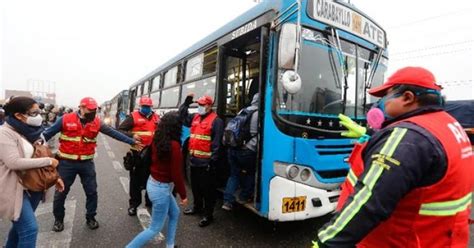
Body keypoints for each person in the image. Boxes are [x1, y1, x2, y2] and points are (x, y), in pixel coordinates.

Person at [312, 67, 473, 247]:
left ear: (408, 98)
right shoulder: (448, 124)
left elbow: (368, 204)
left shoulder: (406, 136)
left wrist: (326, 243)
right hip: (440, 238)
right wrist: (370, 135)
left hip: (400, 241)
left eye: (385, 96)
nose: (380, 103)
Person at [42, 97, 142, 232]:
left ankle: (91, 217)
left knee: (92, 192)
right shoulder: (66, 119)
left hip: (86, 164)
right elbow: (46, 134)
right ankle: (58, 219)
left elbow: (114, 133)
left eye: (95, 110)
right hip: (66, 163)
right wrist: (34, 145)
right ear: (81, 107)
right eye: (91, 110)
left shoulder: (96, 122)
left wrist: (130, 141)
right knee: (61, 193)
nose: (93, 112)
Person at [0, 96, 64, 248]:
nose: (39, 116)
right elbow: (13, 162)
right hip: (13, 188)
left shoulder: (35, 132)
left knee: (18, 229)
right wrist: (49, 162)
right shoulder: (4, 133)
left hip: (33, 186)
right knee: (29, 229)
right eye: (34, 113)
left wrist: (56, 177)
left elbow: (43, 153)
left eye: (39, 112)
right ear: (18, 115)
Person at [126, 111, 187, 248]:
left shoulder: (157, 138)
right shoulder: (175, 146)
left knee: (174, 213)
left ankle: (170, 245)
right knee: (154, 229)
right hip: (161, 189)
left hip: (153, 183)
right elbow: (177, 174)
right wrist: (183, 195)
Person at [179, 94, 224, 227]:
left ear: (209, 106)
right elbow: (182, 117)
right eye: (199, 105)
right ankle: (197, 207)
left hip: (206, 163)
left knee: (208, 191)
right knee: (196, 187)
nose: (200, 107)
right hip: (194, 160)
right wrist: (186, 104)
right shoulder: (195, 117)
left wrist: (213, 162)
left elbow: (217, 144)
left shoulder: (216, 121)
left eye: (203, 105)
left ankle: (208, 215)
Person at [118, 96, 160, 216]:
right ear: (140, 106)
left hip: (152, 153)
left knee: (152, 179)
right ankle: (133, 205)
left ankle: (149, 201)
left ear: (151, 107)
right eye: (144, 106)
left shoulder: (156, 117)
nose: (146, 108)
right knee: (135, 181)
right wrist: (132, 135)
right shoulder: (133, 117)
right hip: (138, 154)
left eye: (148, 107)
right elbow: (120, 130)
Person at [222, 93, 259, 211]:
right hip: (247, 150)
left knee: (234, 174)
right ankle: (244, 197)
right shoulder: (260, 114)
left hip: (233, 148)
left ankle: (227, 201)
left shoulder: (243, 110)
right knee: (250, 173)